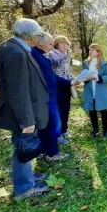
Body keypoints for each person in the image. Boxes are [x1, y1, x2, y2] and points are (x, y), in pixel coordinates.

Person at [0, 18, 50, 200]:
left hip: (19, 110)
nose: (39, 38)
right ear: (31, 36)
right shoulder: (16, 53)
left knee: (23, 146)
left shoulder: (8, 47)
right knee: (22, 147)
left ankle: (28, 177)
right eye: (39, 34)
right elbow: (18, 91)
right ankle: (25, 188)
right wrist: (27, 120)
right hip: (21, 113)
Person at [31, 32, 80, 161]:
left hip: (58, 88)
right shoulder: (44, 56)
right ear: (40, 42)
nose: (51, 46)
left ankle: (47, 148)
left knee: (59, 117)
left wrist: (72, 80)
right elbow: (53, 73)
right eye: (51, 44)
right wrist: (70, 54)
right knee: (52, 122)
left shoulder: (40, 55)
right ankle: (51, 152)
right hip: (50, 93)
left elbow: (62, 72)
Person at [82, 43, 107, 138]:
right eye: (89, 50)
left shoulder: (104, 63)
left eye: (92, 50)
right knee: (92, 110)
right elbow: (83, 75)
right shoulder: (86, 63)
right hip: (90, 89)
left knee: (103, 110)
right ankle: (95, 129)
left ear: (98, 52)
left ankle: (105, 130)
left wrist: (98, 77)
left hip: (101, 89)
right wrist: (86, 78)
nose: (90, 52)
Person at [48, 35, 74, 144]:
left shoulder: (64, 55)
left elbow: (66, 71)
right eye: (63, 43)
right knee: (59, 111)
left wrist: (74, 78)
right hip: (57, 86)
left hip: (66, 85)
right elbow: (57, 64)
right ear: (56, 44)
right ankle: (57, 135)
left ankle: (64, 130)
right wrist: (69, 55)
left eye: (67, 44)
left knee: (66, 109)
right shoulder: (51, 54)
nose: (65, 46)